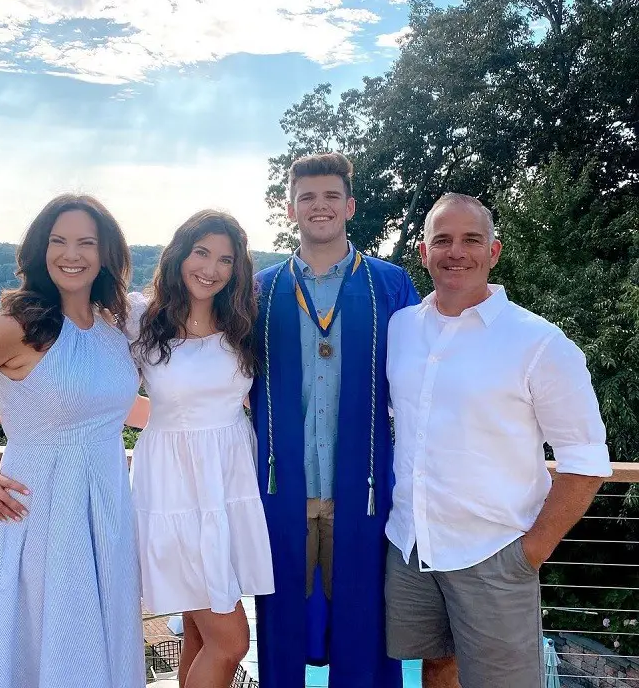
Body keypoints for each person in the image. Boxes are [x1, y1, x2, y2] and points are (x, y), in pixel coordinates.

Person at [384, 193, 613, 688]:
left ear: (494, 250)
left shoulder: (539, 342)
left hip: (495, 552)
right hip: (411, 544)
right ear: (423, 253)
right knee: (435, 668)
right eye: (442, 240)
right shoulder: (401, 329)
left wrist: (532, 550)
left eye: (471, 239)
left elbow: (587, 459)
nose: (456, 252)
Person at [0, 195, 146, 688]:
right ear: (40, 250)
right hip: (41, 518)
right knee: (41, 648)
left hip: (107, 516)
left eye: (87, 242)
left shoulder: (111, 328)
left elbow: (106, 406)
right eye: (58, 241)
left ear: (106, 253)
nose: (73, 253)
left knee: (102, 646)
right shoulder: (17, 328)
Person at [249, 152, 420, 688]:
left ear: (349, 205)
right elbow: (204, 362)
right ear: (290, 207)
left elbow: (431, 368)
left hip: (364, 486)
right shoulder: (259, 290)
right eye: (307, 198)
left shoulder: (388, 285)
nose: (318, 207)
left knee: (366, 619)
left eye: (329, 197)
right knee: (279, 620)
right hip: (282, 484)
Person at [123, 210, 275, 688]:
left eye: (225, 259)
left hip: (230, 483)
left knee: (199, 632)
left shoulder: (242, 324)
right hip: (176, 489)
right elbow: (77, 355)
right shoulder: (138, 319)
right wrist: (15, 386)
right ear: (180, 254)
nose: (211, 268)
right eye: (202, 252)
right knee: (231, 643)